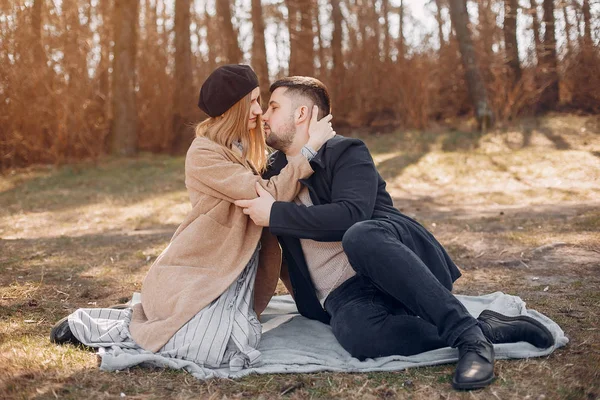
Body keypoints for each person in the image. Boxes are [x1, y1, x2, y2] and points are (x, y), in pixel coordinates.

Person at [234, 76, 555, 390]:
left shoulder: (345, 152)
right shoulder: (272, 177)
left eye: (273, 106)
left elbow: (350, 216)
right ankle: (485, 328)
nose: (264, 115)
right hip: (345, 295)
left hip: (392, 265)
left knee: (359, 235)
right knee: (360, 338)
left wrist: (276, 214)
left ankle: (470, 341)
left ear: (301, 114)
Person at [50, 65, 335, 372]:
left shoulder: (242, 151)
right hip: (203, 268)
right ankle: (100, 324)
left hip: (233, 271)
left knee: (233, 342)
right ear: (234, 107)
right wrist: (308, 151)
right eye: (253, 101)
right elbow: (270, 197)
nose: (260, 110)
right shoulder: (204, 153)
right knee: (211, 349)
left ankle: (154, 314)